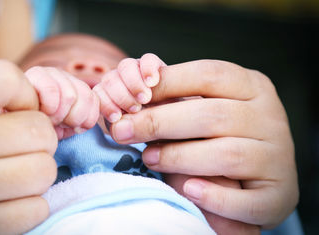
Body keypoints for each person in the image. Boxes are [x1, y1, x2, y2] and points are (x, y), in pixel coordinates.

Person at [0, 0, 300, 234]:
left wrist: (234, 170)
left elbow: (224, 221)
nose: (85, 63)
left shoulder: (157, 136)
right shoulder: (4, 122)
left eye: (112, 67)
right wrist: (27, 104)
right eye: (56, 62)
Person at [18, 33, 259, 234]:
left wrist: (178, 130)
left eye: (114, 65)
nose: (91, 64)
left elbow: (229, 227)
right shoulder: (25, 131)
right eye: (50, 60)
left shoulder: (154, 140)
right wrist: (26, 107)